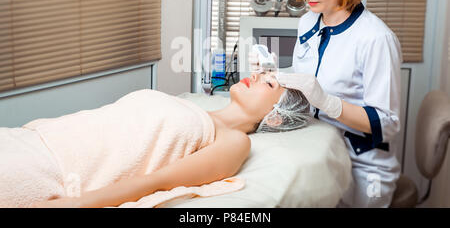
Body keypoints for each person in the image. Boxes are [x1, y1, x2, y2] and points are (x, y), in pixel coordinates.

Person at [250, 0, 402, 207]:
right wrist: (272, 77)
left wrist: (329, 103)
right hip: (317, 148)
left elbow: (388, 124)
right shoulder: (308, 21)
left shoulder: (376, 38)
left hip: (363, 166)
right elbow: (305, 93)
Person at [0, 73, 310, 208]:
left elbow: (158, 182)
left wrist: (76, 205)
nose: (255, 76)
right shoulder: (193, 106)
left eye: (268, 82)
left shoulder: (235, 141)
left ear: (276, 116)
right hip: (33, 138)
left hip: (51, 170)